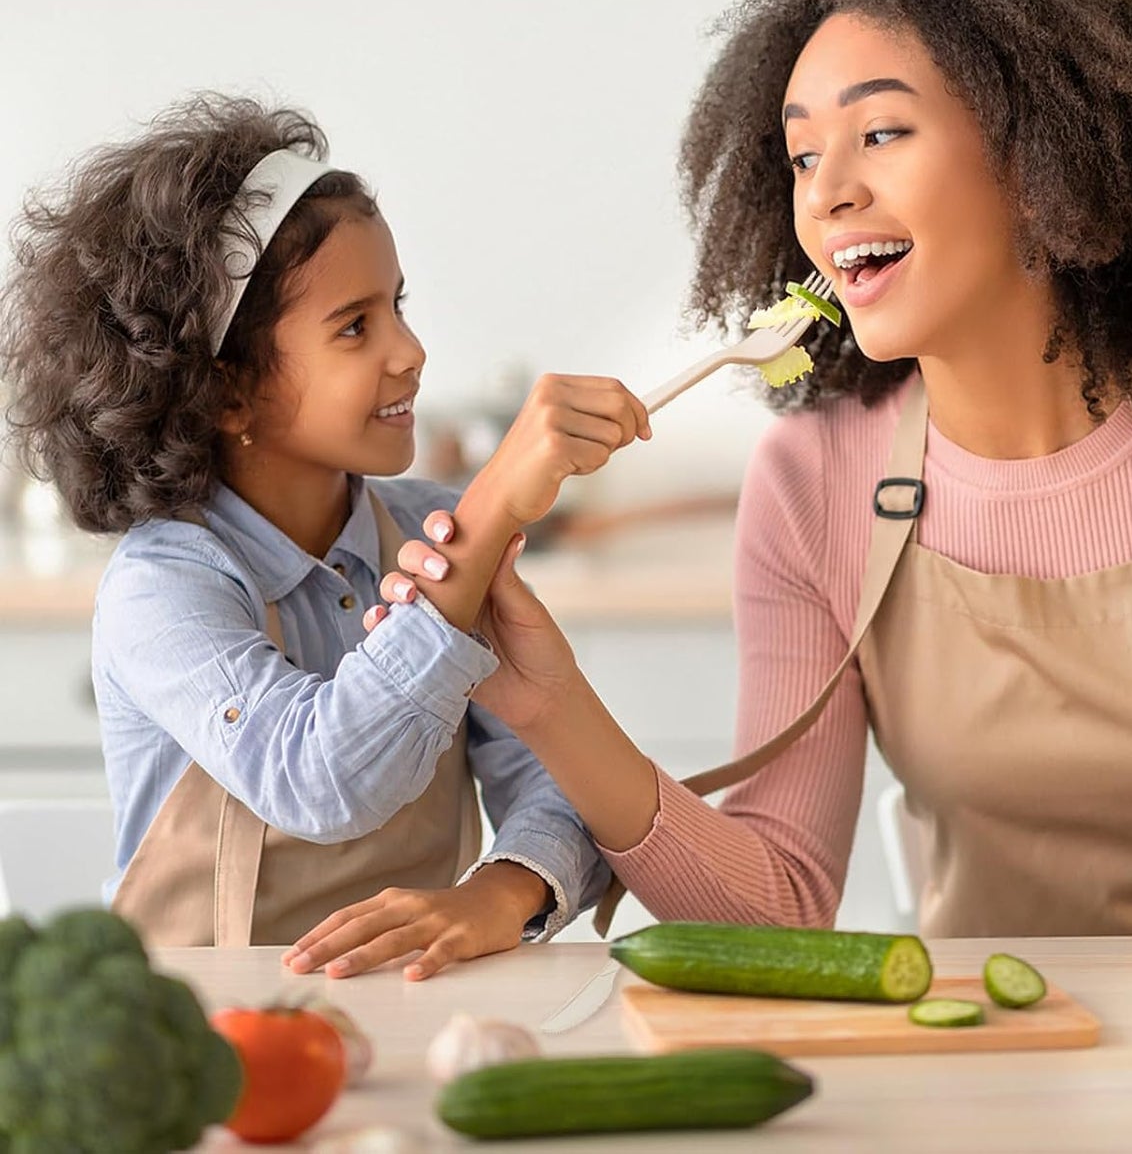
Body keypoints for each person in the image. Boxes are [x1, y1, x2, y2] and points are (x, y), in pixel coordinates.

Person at [287, 0, 1132, 978]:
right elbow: (777, 907)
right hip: (977, 1052)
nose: (827, 195)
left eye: (880, 133)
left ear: (1044, 166)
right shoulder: (815, 481)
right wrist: (552, 707)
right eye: (799, 158)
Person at [0, 95, 649, 969]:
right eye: (355, 325)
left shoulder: (425, 525)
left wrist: (503, 889)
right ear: (227, 392)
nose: (411, 349)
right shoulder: (164, 586)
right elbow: (318, 776)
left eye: (398, 305)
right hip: (211, 1023)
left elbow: (560, 772)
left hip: (416, 998)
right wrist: (489, 511)